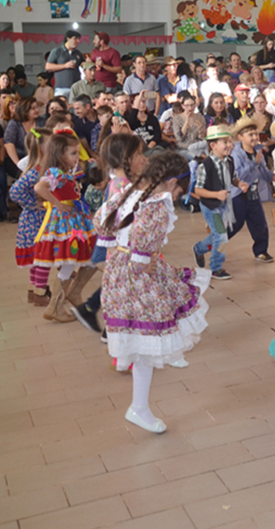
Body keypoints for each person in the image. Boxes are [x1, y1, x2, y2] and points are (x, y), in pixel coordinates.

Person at [98, 151, 208, 433]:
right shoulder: (157, 205)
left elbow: (103, 221)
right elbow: (141, 256)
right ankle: (139, 407)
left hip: (117, 271)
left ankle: (139, 405)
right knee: (147, 342)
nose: (179, 195)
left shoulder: (130, 191)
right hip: (136, 276)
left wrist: (120, 252)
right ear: (172, 183)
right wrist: (149, 266)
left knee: (140, 343)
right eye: (181, 189)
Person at [72, 133, 147, 335]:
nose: (144, 158)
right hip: (122, 248)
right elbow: (116, 221)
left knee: (124, 286)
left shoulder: (123, 182)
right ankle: (109, 326)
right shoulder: (122, 187)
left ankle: (94, 313)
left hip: (123, 248)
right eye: (139, 154)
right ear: (126, 158)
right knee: (124, 286)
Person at [32, 132, 97, 322]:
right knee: (70, 262)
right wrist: (58, 204)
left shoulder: (64, 173)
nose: (77, 158)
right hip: (68, 224)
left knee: (90, 257)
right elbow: (39, 188)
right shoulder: (56, 173)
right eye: (73, 153)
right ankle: (55, 306)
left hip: (76, 221)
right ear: (60, 154)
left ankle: (71, 295)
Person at [9, 127, 54, 306]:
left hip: (35, 219)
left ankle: (34, 289)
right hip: (37, 220)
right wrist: (32, 203)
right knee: (43, 256)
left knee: (37, 257)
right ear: (43, 148)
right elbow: (15, 191)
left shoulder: (39, 168)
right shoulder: (37, 171)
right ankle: (41, 292)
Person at [192, 125, 237, 281]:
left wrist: (240, 184)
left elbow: (232, 177)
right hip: (211, 207)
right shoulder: (206, 165)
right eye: (225, 142)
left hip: (224, 206)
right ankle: (216, 267)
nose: (230, 145)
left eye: (230, 141)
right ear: (213, 146)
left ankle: (199, 248)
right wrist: (216, 194)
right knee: (222, 236)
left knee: (218, 235)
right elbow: (198, 190)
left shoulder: (229, 161)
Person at [229, 117, 275, 263]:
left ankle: (261, 251)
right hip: (239, 195)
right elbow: (238, 175)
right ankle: (213, 243)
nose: (255, 137)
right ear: (240, 137)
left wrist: (273, 176)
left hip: (254, 194)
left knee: (259, 223)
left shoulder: (258, 151)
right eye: (250, 134)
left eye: (256, 134)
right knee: (235, 225)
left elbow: (263, 170)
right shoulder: (236, 154)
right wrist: (253, 163)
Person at [45, 30, 85, 98]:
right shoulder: (57, 51)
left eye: (78, 39)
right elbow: (48, 66)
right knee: (61, 107)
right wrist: (65, 66)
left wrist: (87, 63)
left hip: (76, 88)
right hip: (61, 88)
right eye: (75, 39)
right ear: (68, 39)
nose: (78, 41)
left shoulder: (78, 53)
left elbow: (82, 64)